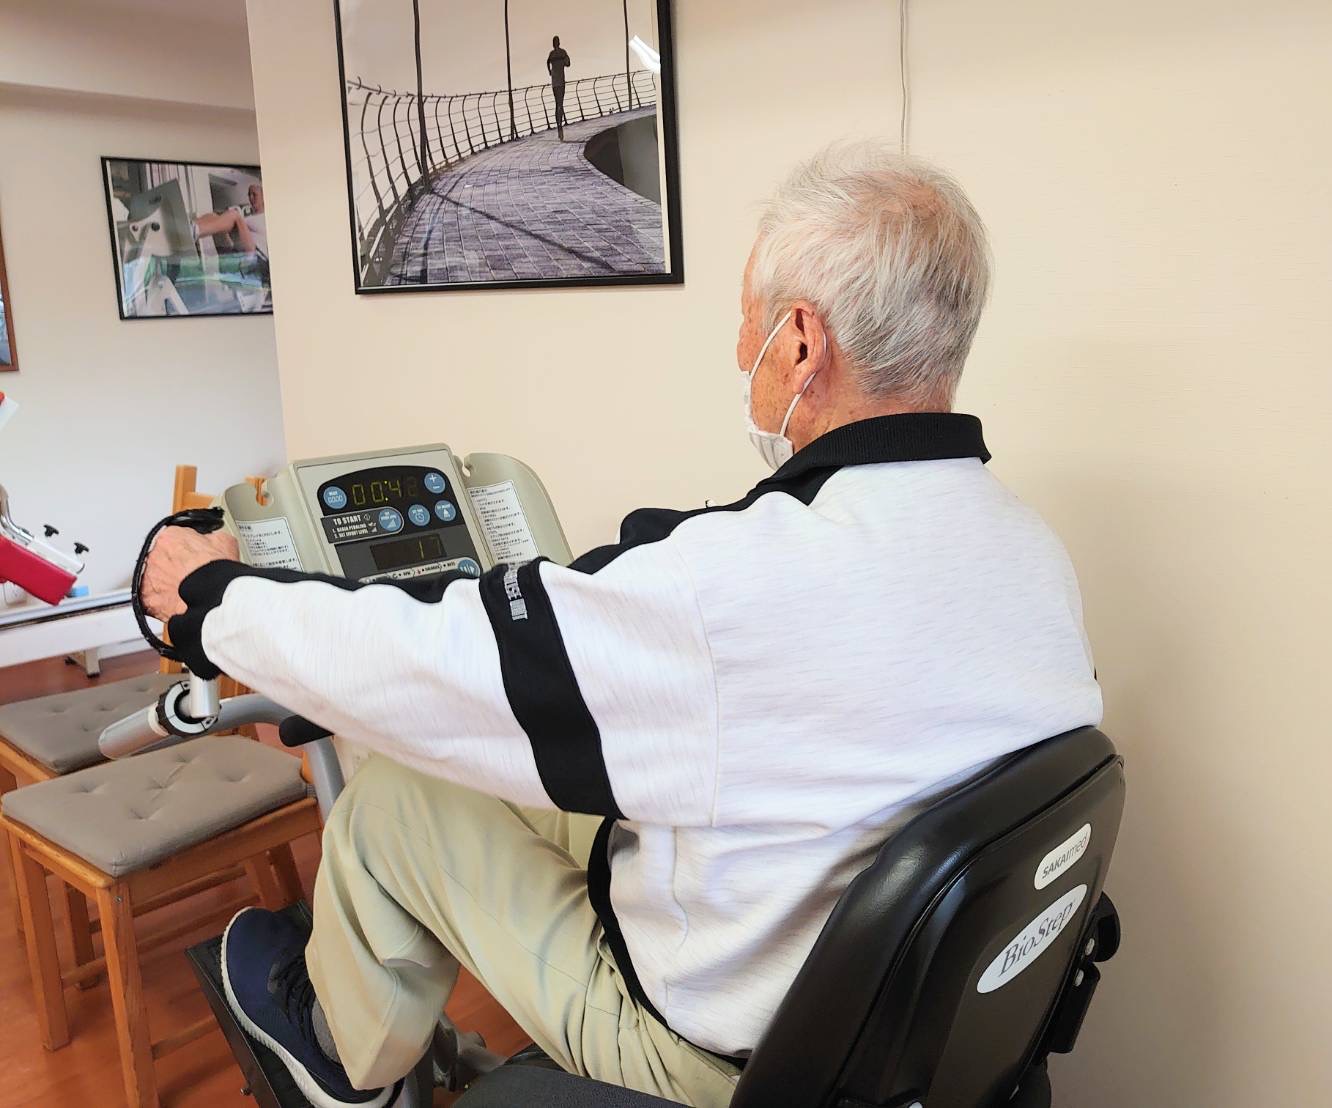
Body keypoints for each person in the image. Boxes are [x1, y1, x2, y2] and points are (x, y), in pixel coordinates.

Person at [141, 144, 1103, 1108]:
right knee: (489, 773)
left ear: (802, 343)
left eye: (751, 322)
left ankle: (338, 1065)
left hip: (721, 1064)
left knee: (394, 797)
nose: (742, 350)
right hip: (889, 1035)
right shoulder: (1030, 553)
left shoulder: (733, 584)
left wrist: (209, 598)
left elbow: (430, 665)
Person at [547, 34, 571, 140]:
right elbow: (568, 64)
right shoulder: (562, 52)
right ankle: (560, 125)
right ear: (559, 43)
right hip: (560, 82)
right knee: (560, 103)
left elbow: (547, 62)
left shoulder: (551, 54)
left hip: (555, 83)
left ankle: (559, 125)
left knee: (557, 104)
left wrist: (550, 71)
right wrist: (563, 62)